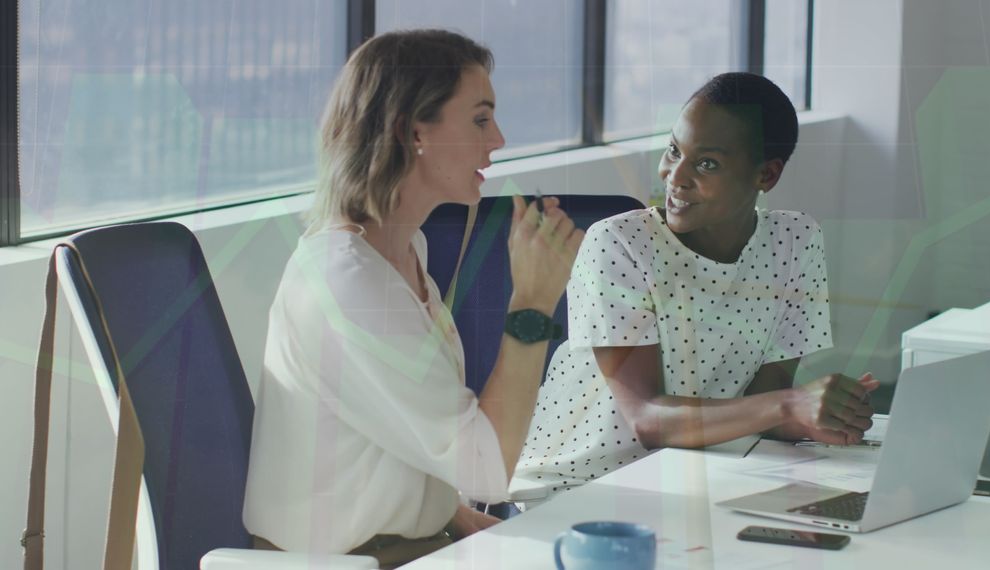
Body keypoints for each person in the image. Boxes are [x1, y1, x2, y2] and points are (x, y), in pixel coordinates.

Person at [242, 29, 583, 566]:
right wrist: (534, 305)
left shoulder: (401, 252)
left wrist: (450, 515)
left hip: (410, 547)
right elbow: (486, 469)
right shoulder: (347, 281)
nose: (497, 138)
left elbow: (394, 425)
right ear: (412, 131)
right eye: (479, 119)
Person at [512, 72, 879, 499]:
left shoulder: (795, 242)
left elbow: (763, 404)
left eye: (707, 163)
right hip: (578, 487)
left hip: (701, 475)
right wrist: (790, 404)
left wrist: (824, 414)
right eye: (673, 151)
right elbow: (646, 420)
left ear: (767, 175)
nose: (675, 177)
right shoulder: (619, 244)